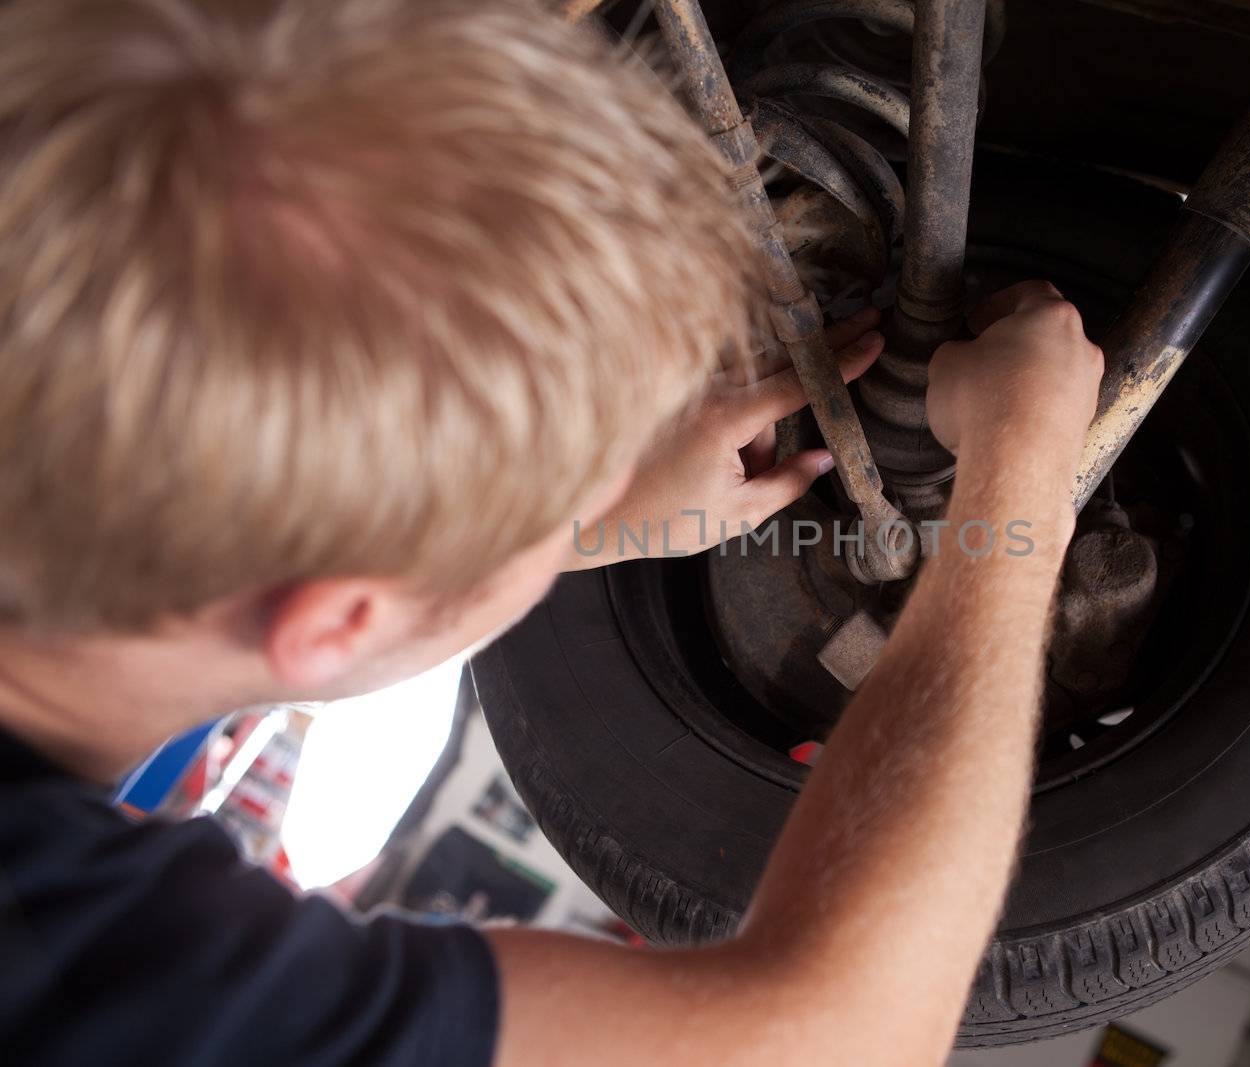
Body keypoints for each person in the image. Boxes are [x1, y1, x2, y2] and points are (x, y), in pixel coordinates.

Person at [0, 1, 1104, 1064]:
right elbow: (836, 1036)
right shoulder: (95, 984)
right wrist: (1019, 484)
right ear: (337, 616)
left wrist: (570, 523)